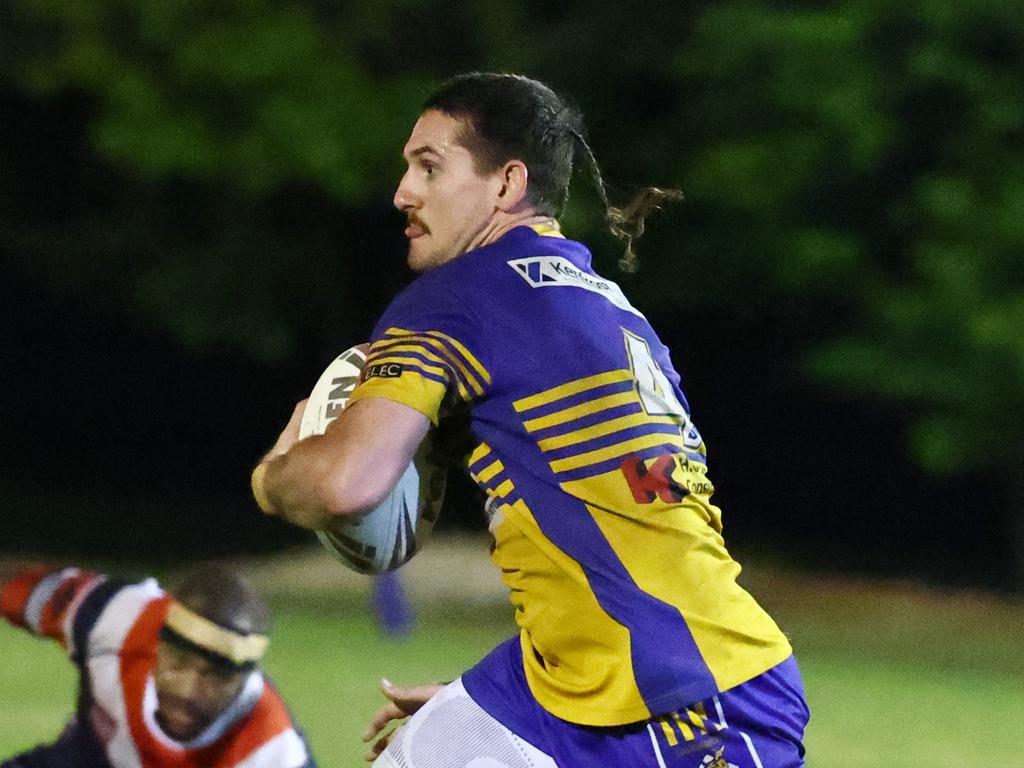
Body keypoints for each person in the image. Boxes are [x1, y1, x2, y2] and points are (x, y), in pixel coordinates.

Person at [251, 72, 810, 767]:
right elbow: (613, 533)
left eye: (430, 167)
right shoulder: (608, 307)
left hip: (689, 706)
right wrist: (501, 714)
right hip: (595, 682)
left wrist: (274, 476)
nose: (403, 192)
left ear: (506, 183)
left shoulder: (457, 298)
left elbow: (345, 483)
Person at [0, 563, 315, 768]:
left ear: (243, 682)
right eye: (178, 662)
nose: (187, 691)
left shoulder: (274, 752)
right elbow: (21, 591)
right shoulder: (114, 617)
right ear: (158, 646)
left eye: (214, 676)